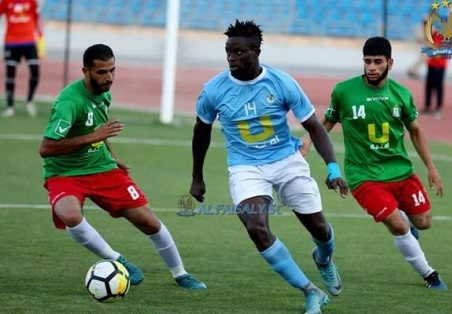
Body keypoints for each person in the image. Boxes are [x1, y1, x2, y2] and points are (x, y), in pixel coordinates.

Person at [189, 20, 348, 314]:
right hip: (245, 167)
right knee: (256, 227)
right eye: (228, 52)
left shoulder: (282, 82)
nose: (232, 58)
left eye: (239, 52)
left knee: (321, 230)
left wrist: (333, 169)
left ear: (257, 51)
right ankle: (311, 292)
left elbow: (315, 127)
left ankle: (323, 258)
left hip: (287, 161)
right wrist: (197, 177)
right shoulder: (214, 90)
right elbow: (202, 131)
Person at [39, 44, 206, 291]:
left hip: (102, 167)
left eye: (112, 71)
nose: (109, 78)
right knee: (70, 215)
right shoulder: (68, 102)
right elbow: (46, 148)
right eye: (102, 72)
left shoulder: (104, 93)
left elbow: (98, 127)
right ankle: (117, 259)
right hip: (65, 173)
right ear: (86, 71)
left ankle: (180, 274)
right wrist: (93, 136)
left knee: (149, 222)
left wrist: (113, 156)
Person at [300, 37, 447, 291]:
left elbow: (415, 131)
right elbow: (326, 122)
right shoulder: (344, 91)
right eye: (367, 61)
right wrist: (307, 140)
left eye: (378, 62)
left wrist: (431, 168)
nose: (371, 67)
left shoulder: (401, 94)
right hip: (363, 175)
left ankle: (409, 229)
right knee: (398, 224)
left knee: (423, 222)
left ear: (390, 63)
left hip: (401, 171)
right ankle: (430, 275)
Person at [0, 0, 43, 117]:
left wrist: (41, 39)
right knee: (10, 74)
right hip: (11, 43)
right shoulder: (6, 2)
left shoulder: (31, 2)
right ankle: (10, 106)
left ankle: (29, 101)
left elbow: (37, 20)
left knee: (35, 70)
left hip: (29, 42)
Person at [423, 31, 448, 117]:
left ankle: (438, 107)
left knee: (438, 86)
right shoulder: (433, 34)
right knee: (429, 85)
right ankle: (427, 106)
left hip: (440, 64)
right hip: (431, 64)